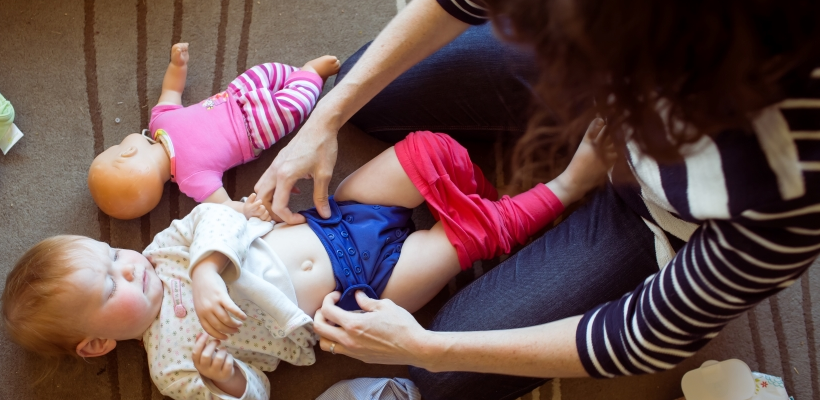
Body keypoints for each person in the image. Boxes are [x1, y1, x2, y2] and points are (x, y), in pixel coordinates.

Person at [253, 0, 820, 398]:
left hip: (657, 218)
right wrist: (325, 118)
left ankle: (577, 186)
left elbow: (648, 333)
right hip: (598, 64)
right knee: (365, 92)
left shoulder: (790, 192)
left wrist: (428, 349)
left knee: (444, 377)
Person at [0, 128, 614, 400]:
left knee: (421, 152)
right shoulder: (173, 367)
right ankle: (565, 187)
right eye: (110, 284)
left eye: (112, 254)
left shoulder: (163, 252)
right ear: (97, 345)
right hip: (359, 290)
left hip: (334, 215)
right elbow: (258, 391)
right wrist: (227, 379)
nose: (127, 266)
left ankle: (474, 185)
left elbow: (214, 219)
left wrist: (209, 269)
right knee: (467, 239)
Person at [88, 42, 340, 220]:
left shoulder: (160, 126)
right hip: (257, 129)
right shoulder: (190, 178)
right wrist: (247, 210)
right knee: (290, 103)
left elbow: (172, 91)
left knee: (272, 79)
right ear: (128, 151)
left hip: (235, 96)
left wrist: (178, 66)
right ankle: (311, 74)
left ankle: (299, 76)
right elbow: (225, 206)